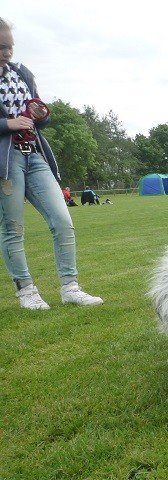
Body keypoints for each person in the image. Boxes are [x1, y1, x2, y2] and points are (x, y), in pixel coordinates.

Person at [0, 18, 103, 309]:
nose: (7, 53)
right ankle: (26, 291)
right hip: (6, 163)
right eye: (0, 47)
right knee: (13, 228)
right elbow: (10, 122)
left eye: (10, 46)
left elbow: (42, 118)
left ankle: (70, 287)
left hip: (35, 155)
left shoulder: (23, 73)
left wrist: (41, 114)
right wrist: (8, 123)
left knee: (63, 222)